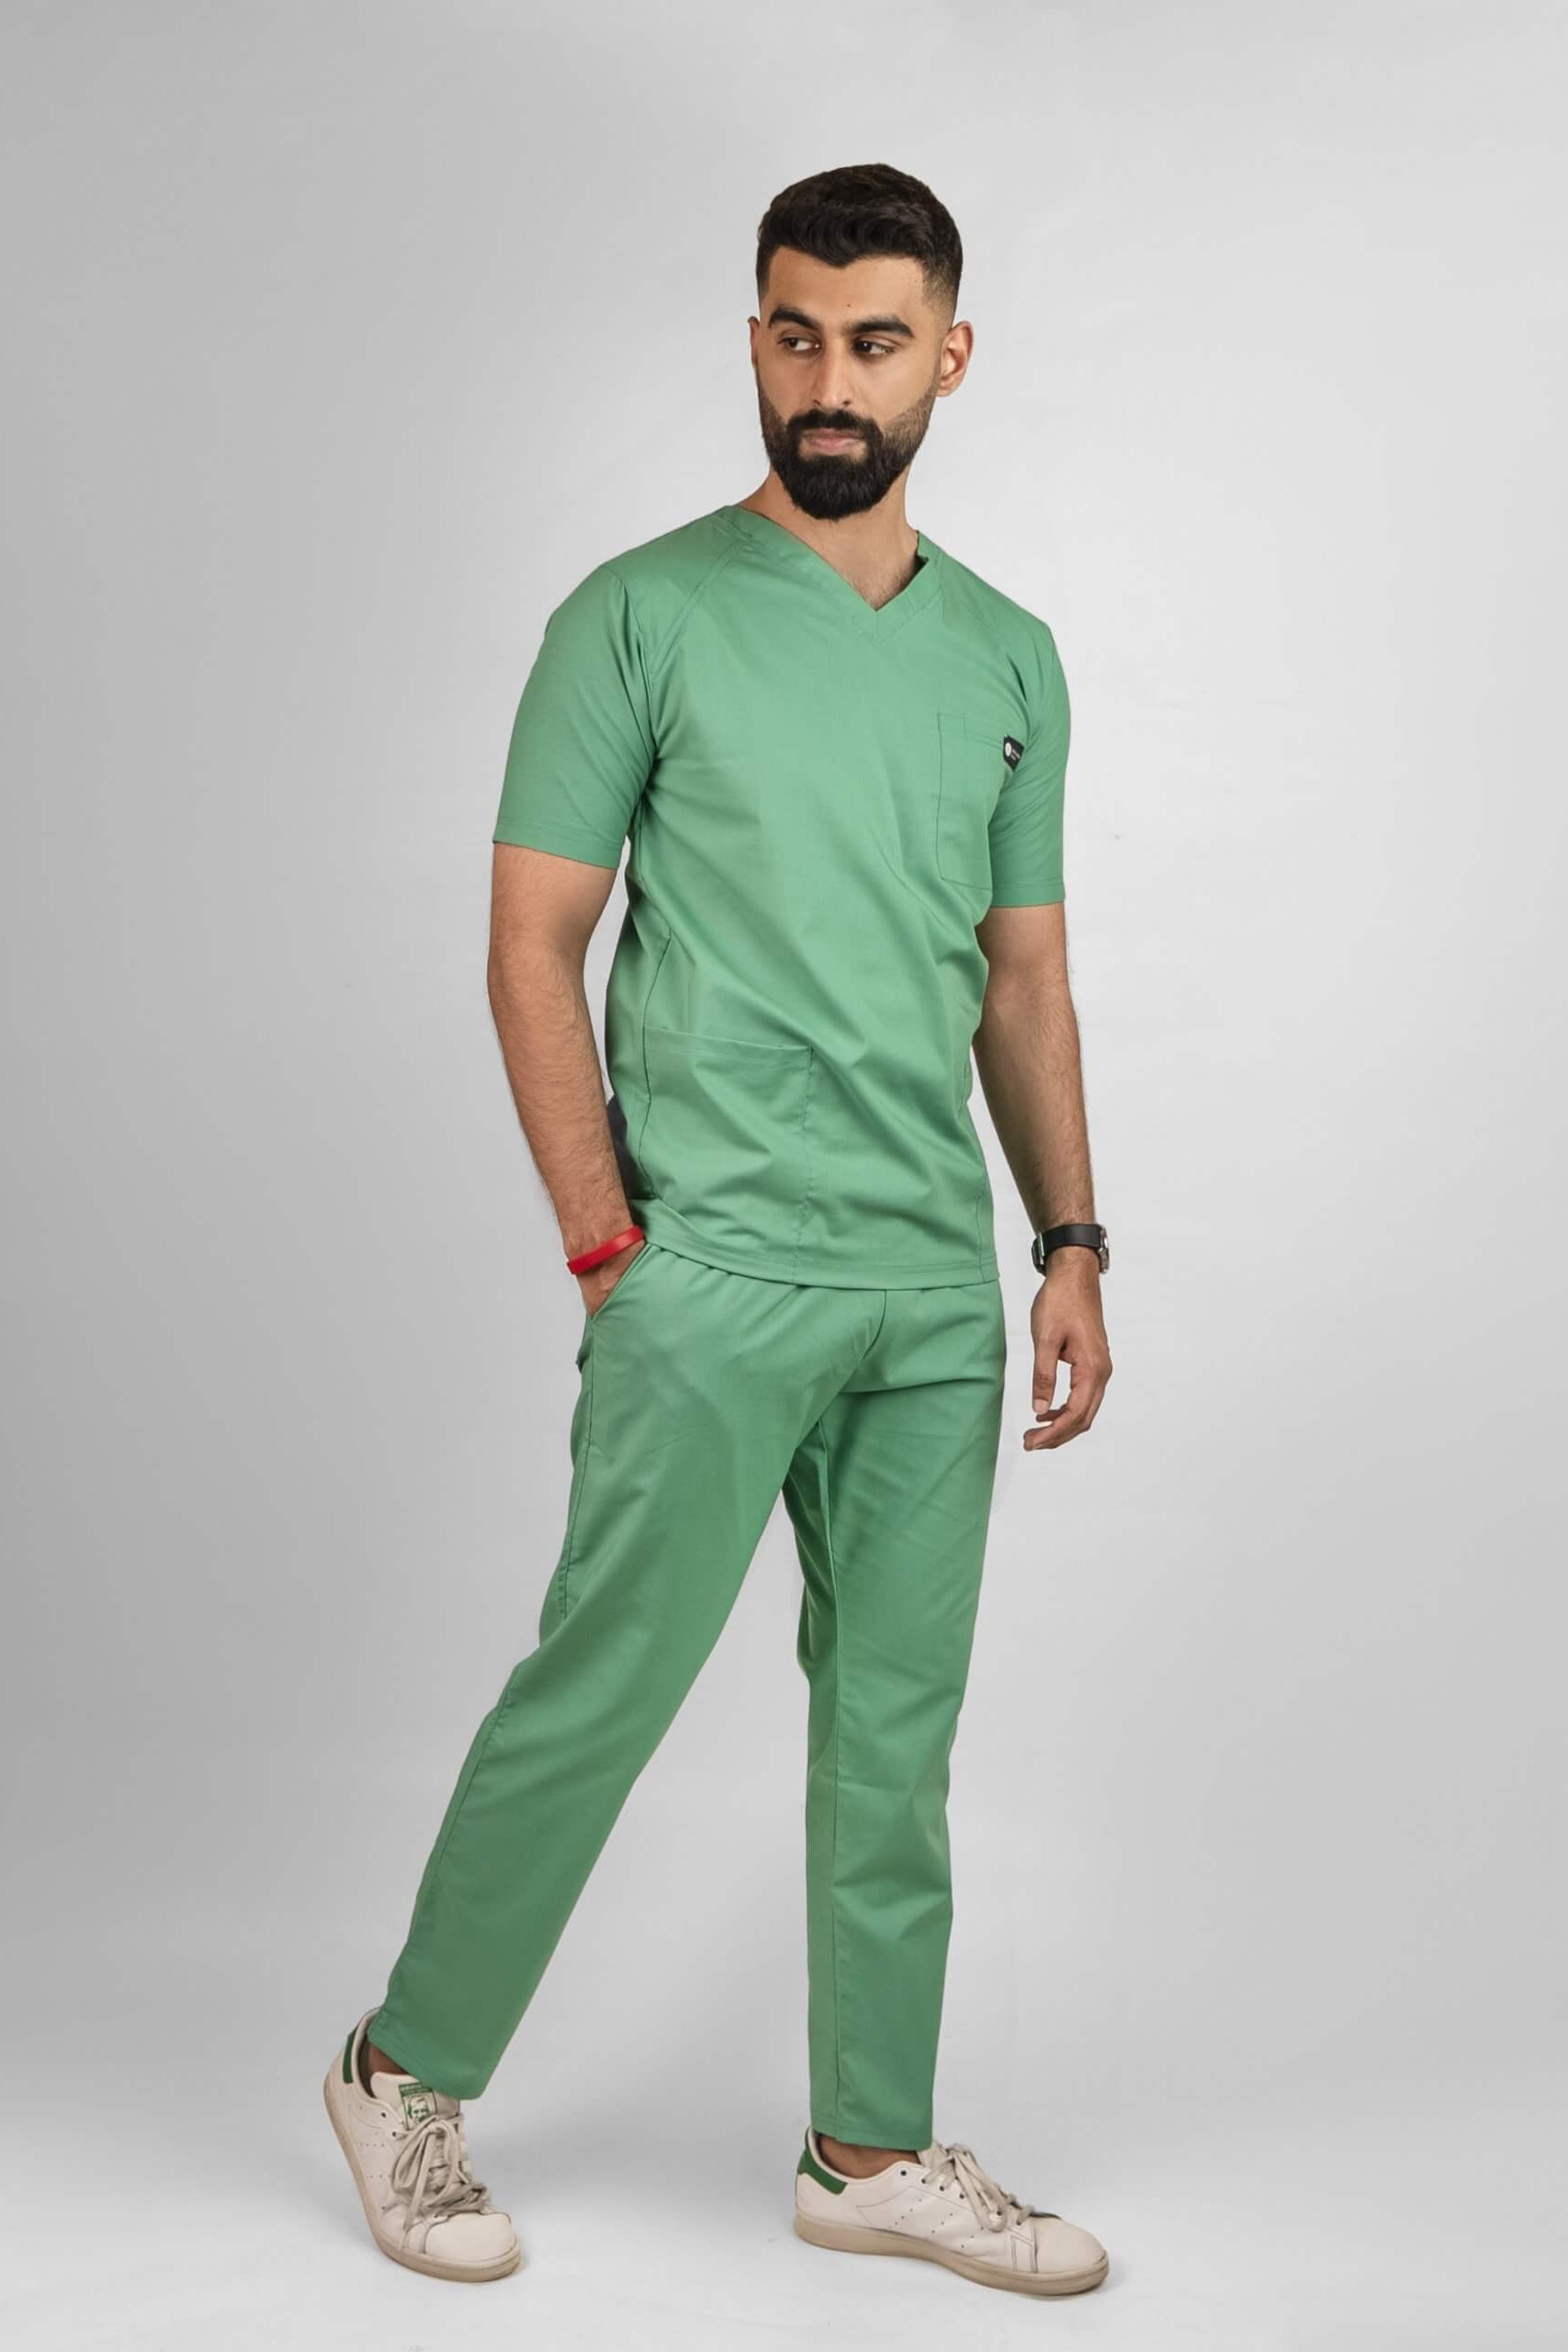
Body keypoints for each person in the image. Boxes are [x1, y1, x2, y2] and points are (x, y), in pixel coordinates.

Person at [323, 160, 1114, 2300]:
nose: (827, 381)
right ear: (753, 339)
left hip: (926, 1286)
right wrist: (610, 1248)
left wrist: (1066, 1239)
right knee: (602, 1687)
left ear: (948, 356)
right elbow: (532, 942)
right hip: (709, 1269)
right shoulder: (635, 613)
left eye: (873, 341)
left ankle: (868, 2145)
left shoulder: (1007, 656)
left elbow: (1021, 975)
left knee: (895, 1733)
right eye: (792, 334)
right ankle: (402, 2067)